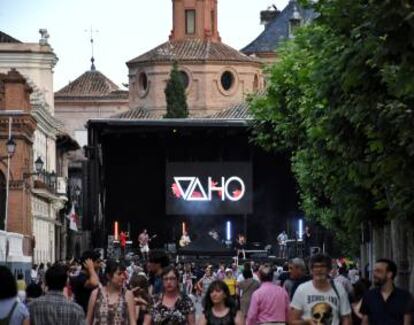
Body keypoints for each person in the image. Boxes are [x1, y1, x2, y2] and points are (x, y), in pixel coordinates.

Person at [289, 253, 352, 325]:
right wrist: (307, 322)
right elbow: (292, 321)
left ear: (329, 270)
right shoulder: (302, 290)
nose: (319, 270)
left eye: (322, 266)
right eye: (315, 267)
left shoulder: (339, 289)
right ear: (311, 270)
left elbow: (346, 318)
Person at [360, 258, 413, 325]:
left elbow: (407, 322)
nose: (374, 274)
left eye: (378, 271)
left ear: (389, 274)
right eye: (374, 271)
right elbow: (365, 322)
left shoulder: (405, 296)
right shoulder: (369, 296)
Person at [87, 260, 136, 325]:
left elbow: (132, 322)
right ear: (109, 276)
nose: (123, 277)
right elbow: (88, 321)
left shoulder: (127, 295)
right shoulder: (96, 294)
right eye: (119, 274)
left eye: (123, 274)